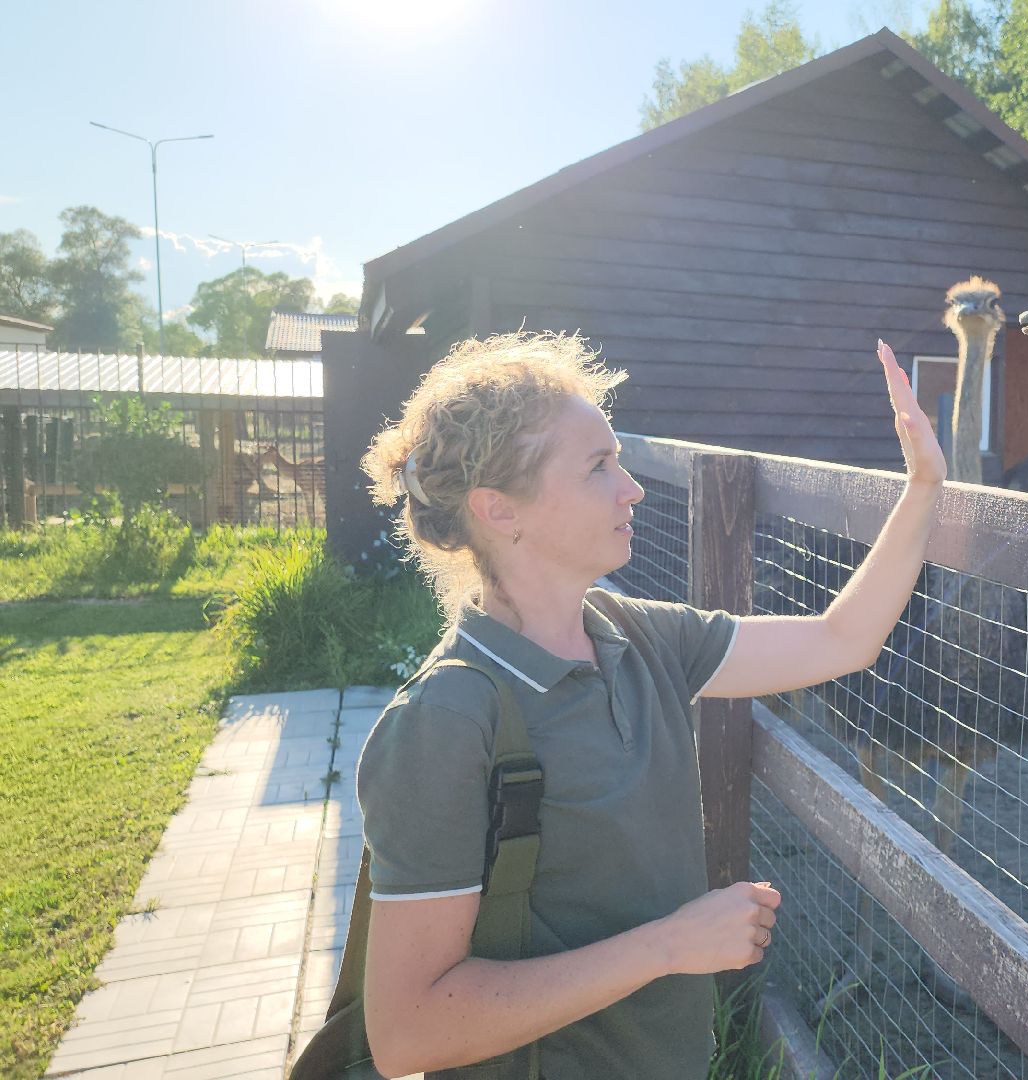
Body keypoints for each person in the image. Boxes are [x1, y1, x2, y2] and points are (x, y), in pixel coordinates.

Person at [352, 331, 945, 1077]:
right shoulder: (442, 722)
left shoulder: (640, 637)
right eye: (598, 467)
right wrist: (668, 946)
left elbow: (841, 639)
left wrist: (923, 486)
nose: (631, 488)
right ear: (499, 511)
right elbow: (408, 1033)